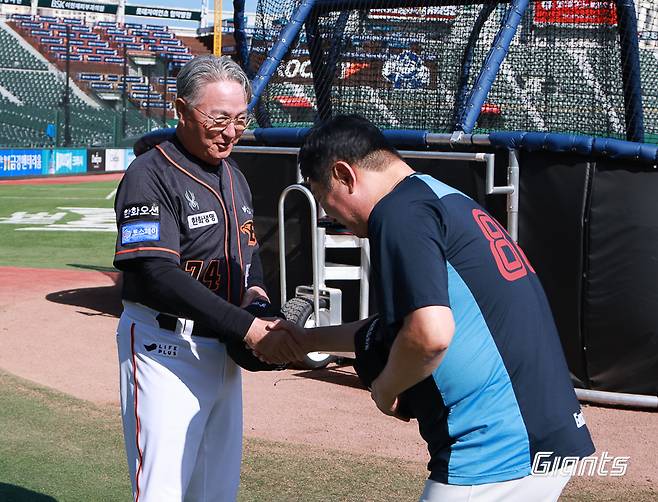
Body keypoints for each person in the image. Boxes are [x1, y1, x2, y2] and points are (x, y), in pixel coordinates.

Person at [286, 114, 595, 501]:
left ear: (345, 174)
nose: (328, 214)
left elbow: (429, 334)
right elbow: (404, 325)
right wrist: (304, 340)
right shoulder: (439, 196)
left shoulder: (398, 214)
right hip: (541, 433)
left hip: (496, 448)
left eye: (323, 197)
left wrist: (385, 387)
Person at [113, 55, 305, 502]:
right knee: (163, 491)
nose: (232, 130)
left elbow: (250, 259)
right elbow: (156, 273)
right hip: (165, 351)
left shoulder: (234, 176)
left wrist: (257, 302)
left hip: (222, 351)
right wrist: (247, 326)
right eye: (219, 118)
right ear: (181, 110)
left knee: (215, 493)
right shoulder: (149, 174)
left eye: (240, 118)